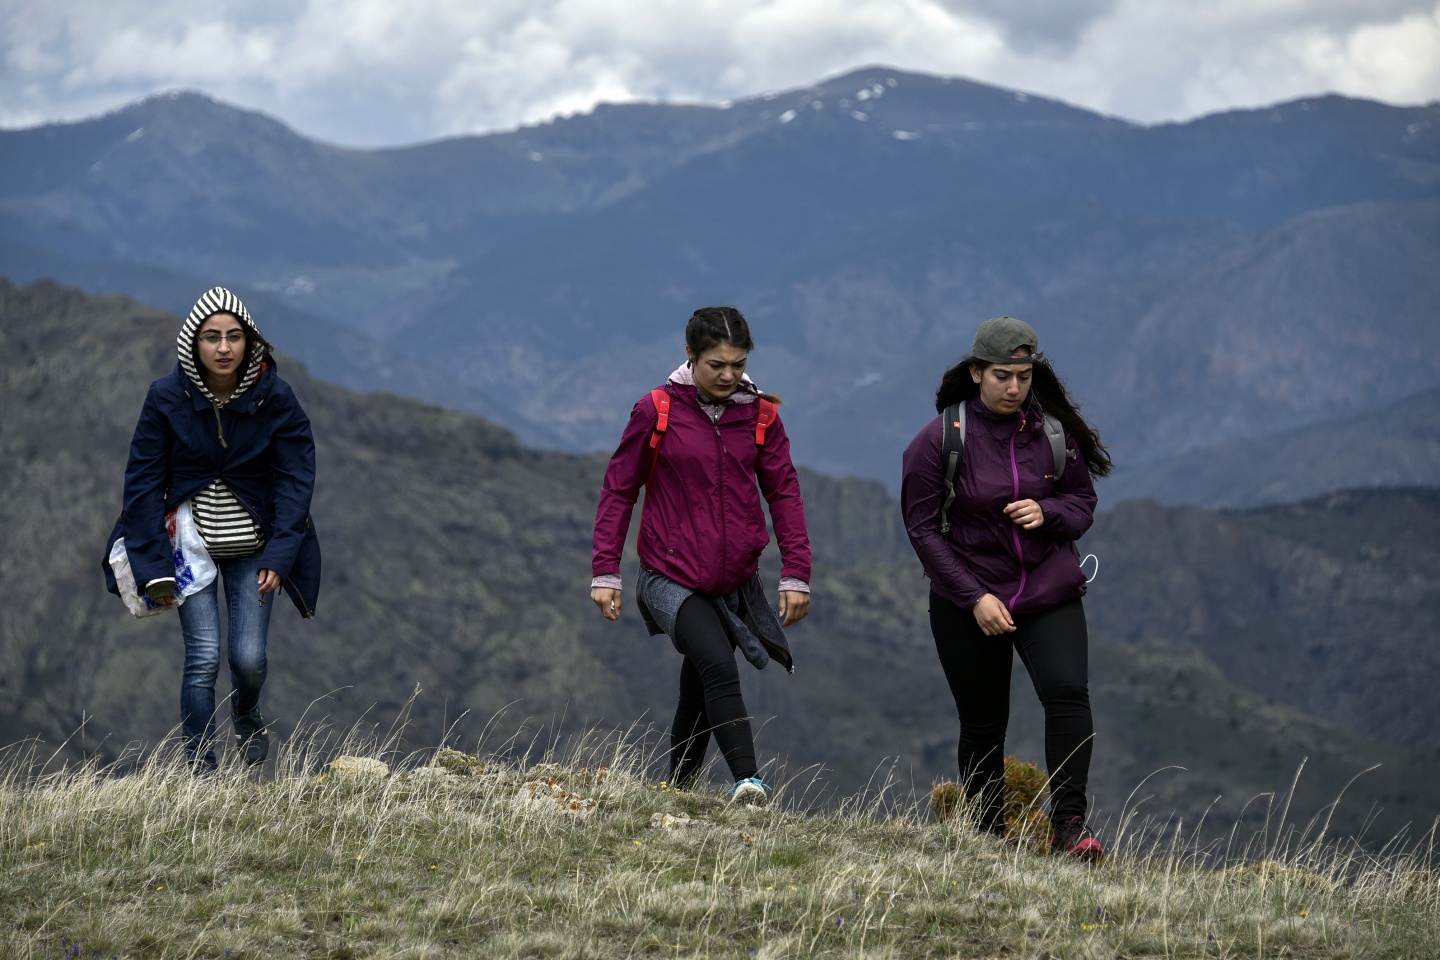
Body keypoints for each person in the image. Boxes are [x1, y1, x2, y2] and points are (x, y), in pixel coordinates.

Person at [901, 316, 1112, 859]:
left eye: (1023, 375)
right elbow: (923, 530)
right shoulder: (939, 441)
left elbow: (1082, 503)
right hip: (967, 600)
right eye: (1001, 375)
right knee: (983, 722)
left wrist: (1048, 511)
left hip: (1047, 590)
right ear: (975, 373)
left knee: (1068, 696)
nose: (1014, 387)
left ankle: (1069, 828)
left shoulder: (1054, 435)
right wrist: (975, 598)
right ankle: (987, 837)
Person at [591, 306, 811, 804]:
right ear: (690, 356)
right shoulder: (657, 410)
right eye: (717, 365)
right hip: (669, 575)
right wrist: (607, 570)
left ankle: (678, 792)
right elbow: (619, 489)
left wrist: (796, 574)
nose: (729, 375)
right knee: (717, 664)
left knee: (698, 685)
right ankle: (748, 783)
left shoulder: (760, 416)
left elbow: (785, 494)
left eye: (738, 364)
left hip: (734, 582)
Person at [104, 287, 320, 771]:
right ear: (193, 344)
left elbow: (295, 478)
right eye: (211, 337)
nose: (223, 347)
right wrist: (154, 567)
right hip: (189, 550)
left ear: (250, 342)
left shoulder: (275, 398)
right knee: (202, 659)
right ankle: (201, 772)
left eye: (234, 336)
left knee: (248, 659)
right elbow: (142, 484)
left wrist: (281, 555)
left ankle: (246, 709)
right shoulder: (165, 398)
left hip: (255, 552)